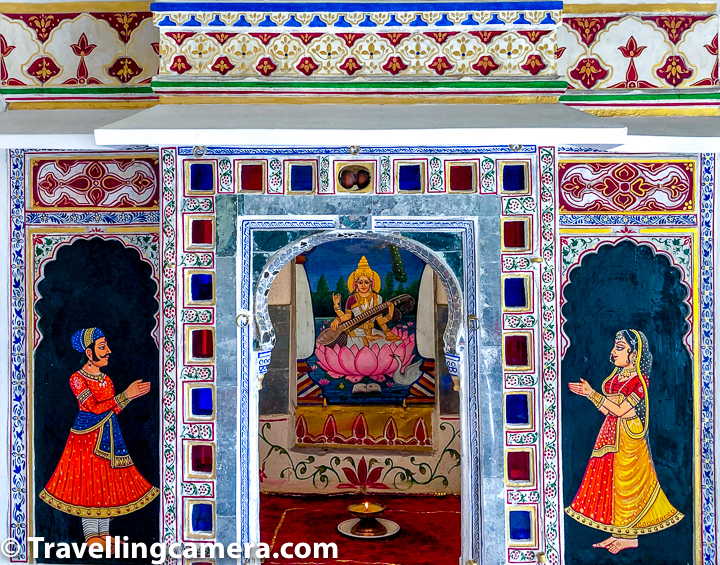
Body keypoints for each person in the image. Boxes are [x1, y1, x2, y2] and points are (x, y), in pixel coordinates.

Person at [39, 328, 159, 550]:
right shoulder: (77, 378)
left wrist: (128, 398)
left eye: (106, 346)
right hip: (85, 438)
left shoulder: (107, 379)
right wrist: (126, 395)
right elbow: (94, 408)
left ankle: (103, 534)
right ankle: (90, 536)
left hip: (108, 434)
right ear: (88, 351)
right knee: (88, 484)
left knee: (105, 484)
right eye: (102, 347)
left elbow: (111, 410)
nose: (108, 351)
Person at [566, 329, 683, 554]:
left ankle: (631, 538)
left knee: (627, 484)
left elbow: (620, 410)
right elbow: (607, 410)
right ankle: (618, 533)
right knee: (610, 482)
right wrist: (590, 395)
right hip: (611, 432)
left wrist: (592, 393)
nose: (613, 353)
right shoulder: (616, 377)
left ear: (634, 354)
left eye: (620, 348)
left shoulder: (638, 381)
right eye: (614, 347)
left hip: (630, 435)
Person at [330, 256, 400, 347]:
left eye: (366, 282)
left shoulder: (377, 298)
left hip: (372, 332)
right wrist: (337, 314)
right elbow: (347, 316)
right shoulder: (352, 298)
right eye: (360, 283)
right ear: (355, 284)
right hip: (356, 333)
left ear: (371, 283)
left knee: (397, 343)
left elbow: (379, 320)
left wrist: (389, 316)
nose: (363, 285)